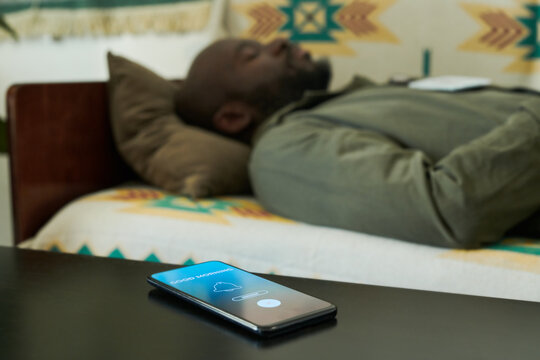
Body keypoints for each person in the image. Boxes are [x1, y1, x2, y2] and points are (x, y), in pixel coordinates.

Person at [176, 37, 540, 249]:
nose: (280, 41)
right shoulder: (282, 151)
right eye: (252, 55)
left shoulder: (343, 104)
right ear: (233, 117)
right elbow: (451, 207)